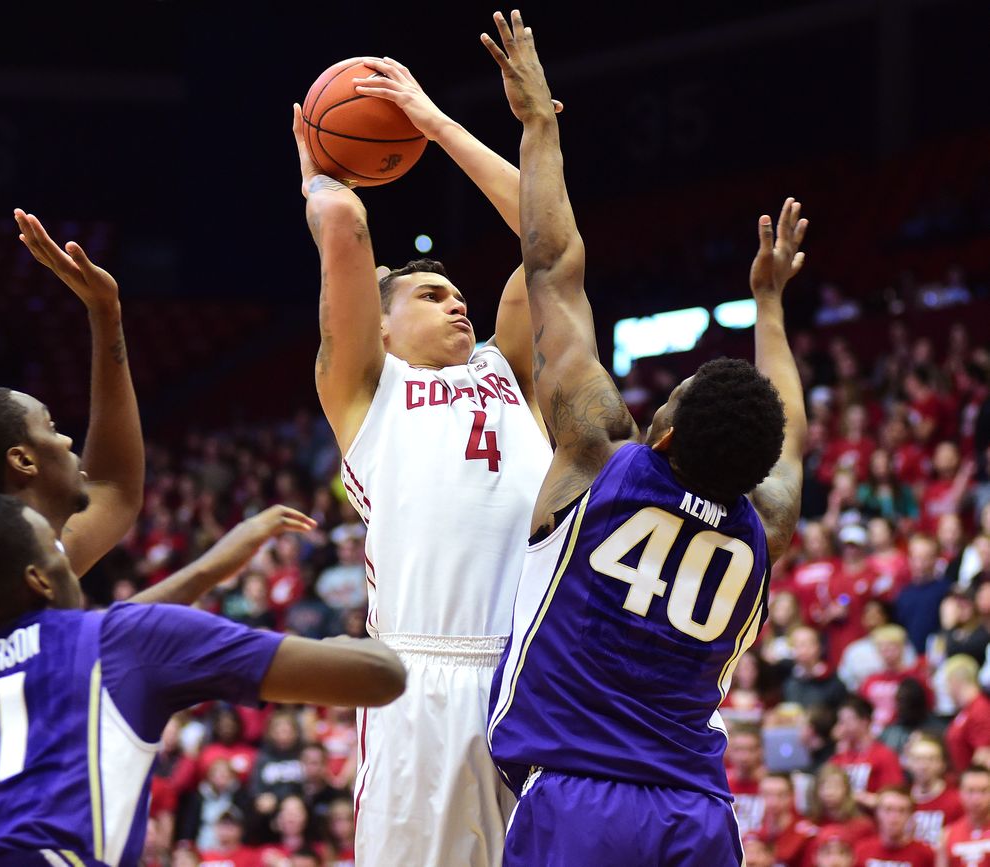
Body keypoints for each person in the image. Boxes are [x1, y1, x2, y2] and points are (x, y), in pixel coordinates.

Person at [0, 213, 319, 857]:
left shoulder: (16, 549)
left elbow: (118, 492)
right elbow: (107, 638)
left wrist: (107, 316)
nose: (68, 437)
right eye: (51, 426)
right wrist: (211, 569)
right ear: (22, 460)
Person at [481, 11, 808, 865]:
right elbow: (793, 444)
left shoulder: (597, 456)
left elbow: (552, 267)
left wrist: (539, 125)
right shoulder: (762, 522)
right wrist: (769, 306)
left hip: (577, 794)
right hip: (698, 814)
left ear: (660, 436)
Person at [292, 50, 553, 867]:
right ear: (383, 325)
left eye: (457, 294)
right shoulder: (366, 388)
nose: (457, 301)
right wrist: (320, 166)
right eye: (430, 295)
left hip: (529, 680)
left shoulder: (511, 371)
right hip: (419, 681)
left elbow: (547, 239)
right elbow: (343, 224)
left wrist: (436, 124)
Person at [0, 494, 406, 865]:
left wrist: (212, 567)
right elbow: (380, 677)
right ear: (38, 580)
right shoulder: (115, 640)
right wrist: (340, 647)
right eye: (56, 546)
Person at [851, 786, 935, 867]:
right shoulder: (862, 851)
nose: (894, 818)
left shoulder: (925, 854)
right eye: (888, 809)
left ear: (910, 815)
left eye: (902, 811)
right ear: (877, 813)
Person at [904, 733, 962, 847]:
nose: (923, 765)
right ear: (908, 763)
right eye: (918, 759)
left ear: (942, 764)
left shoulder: (956, 801)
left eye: (931, 759)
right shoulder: (901, 799)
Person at [938, 765, 990, 867]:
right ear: (960, 793)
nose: (977, 798)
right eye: (970, 791)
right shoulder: (947, 835)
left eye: (983, 791)